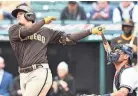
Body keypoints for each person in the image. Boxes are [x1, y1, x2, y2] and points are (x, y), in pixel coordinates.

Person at [8, 4, 104, 96]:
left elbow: (69, 38)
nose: (17, 16)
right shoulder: (14, 30)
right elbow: (29, 31)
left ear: (29, 16)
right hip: (23, 75)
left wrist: (90, 31)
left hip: (39, 72)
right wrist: (43, 21)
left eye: (20, 14)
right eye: (17, 15)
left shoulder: (45, 31)